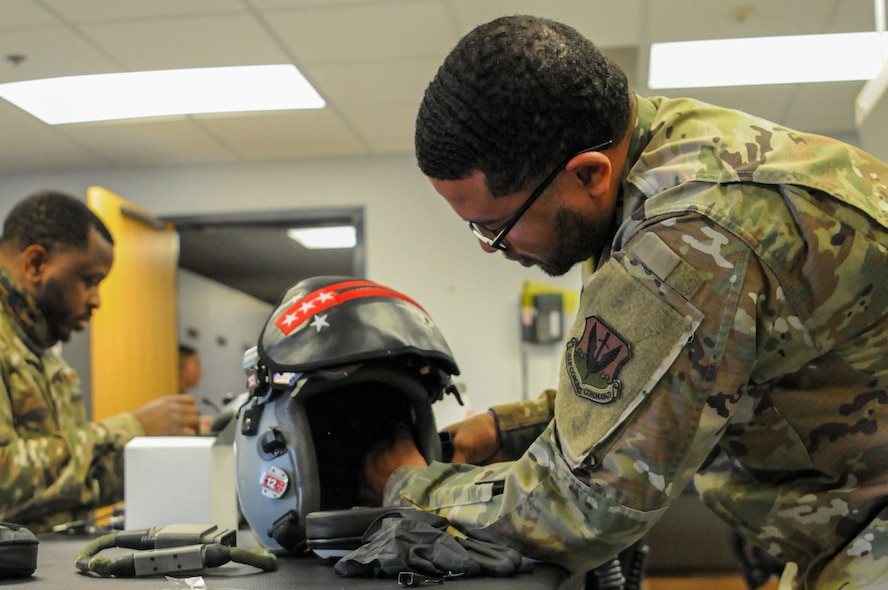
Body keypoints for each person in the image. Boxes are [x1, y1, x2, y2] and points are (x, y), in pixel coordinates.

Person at [361, 14, 888, 589]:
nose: (493, 249)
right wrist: (504, 427)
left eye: (495, 226)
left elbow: (585, 507)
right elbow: (664, 379)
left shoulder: (690, 237)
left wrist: (406, 483)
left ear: (587, 174)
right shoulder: (655, 145)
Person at [0, 190, 201, 532]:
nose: (96, 300)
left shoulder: (45, 359)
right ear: (35, 264)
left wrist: (158, 450)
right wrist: (132, 429)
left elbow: (67, 487)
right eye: (88, 280)